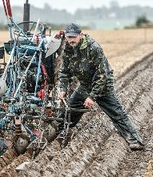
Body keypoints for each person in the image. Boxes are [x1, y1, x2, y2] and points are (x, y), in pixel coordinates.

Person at [58, 23, 145, 151]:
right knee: (70, 110)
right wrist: (63, 89)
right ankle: (59, 133)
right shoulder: (68, 48)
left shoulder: (94, 48)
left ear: (80, 35)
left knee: (116, 113)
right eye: (69, 37)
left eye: (74, 37)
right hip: (85, 84)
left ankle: (135, 140)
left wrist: (92, 97)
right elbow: (64, 71)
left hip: (103, 84)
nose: (71, 40)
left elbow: (101, 75)